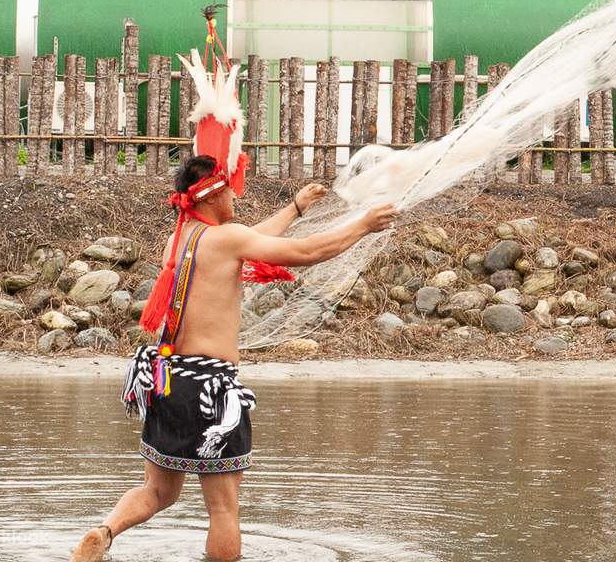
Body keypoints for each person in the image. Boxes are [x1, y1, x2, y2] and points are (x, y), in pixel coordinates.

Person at [71, 155, 398, 561]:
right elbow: (306, 251)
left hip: (166, 379)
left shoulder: (183, 237)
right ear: (212, 195)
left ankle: (104, 533)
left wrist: (295, 208)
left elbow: (250, 239)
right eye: (229, 190)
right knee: (223, 509)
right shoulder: (226, 239)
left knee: (157, 491)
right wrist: (363, 225)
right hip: (210, 389)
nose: (234, 196)